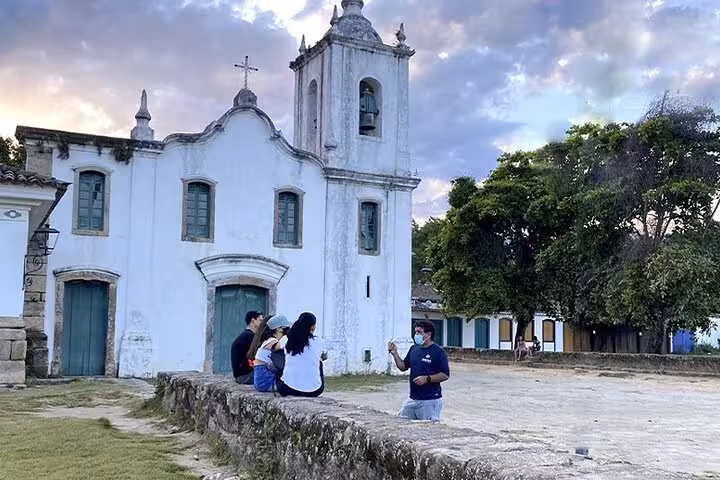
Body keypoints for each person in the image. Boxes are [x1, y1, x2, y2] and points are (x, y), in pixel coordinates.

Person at [388, 321, 450, 421]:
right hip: (413, 398)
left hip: (429, 400)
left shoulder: (438, 352)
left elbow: (445, 375)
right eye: (415, 332)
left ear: (429, 334)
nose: (416, 335)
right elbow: (403, 366)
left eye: (419, 332)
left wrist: (427, 378)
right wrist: (395, 354)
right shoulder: (414, 349)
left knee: (428, 430)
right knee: (401, 423)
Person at [276, 312, 327, 397]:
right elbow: (324, 357)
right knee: (319, 362)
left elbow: (276, 347)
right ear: (312, 327)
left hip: (287, 388)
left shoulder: (287, 339)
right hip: (314, 390)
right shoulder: (319, 341)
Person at [247, 314, 292, 392]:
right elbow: (283, 345)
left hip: (265, 379)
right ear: (278, 329)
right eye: (286, 328)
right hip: (265, 381)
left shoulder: (269, 340)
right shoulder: (271, 341)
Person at [230, 311, 263, 384]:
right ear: (253, 321)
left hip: (242, 375)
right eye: (260, 320)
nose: (262, 323)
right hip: (245, 376)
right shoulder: (249, 336)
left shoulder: (246, 335)